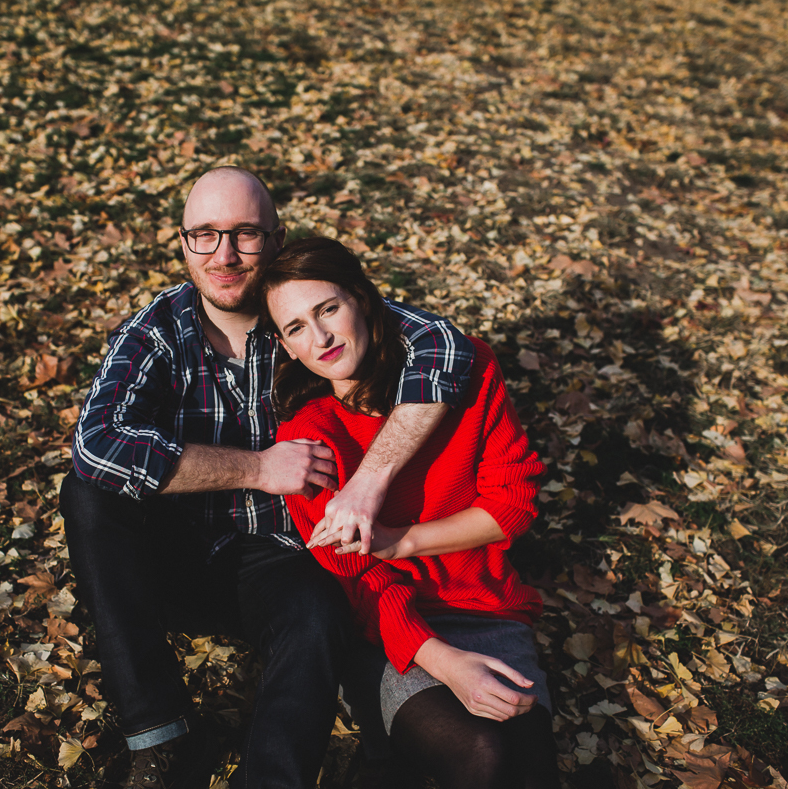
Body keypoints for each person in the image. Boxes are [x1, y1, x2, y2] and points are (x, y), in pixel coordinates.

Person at [60, 167, 476, 788]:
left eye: (245, 235)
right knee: (87, 493)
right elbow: (96, 443)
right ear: (184, 244)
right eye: (205, 235)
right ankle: (163, 734)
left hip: (282, 556)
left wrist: (370, 483)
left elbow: (442, 345)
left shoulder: (303, 316)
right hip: (173, 559)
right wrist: (258, 468)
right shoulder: (157, 330)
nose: (224, 255)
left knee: (315, 618)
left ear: (276, 241)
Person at [264, 237, 561, 789]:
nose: (321, 337)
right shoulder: (308, 438)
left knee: (531, 772)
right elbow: (357, 580)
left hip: (488, 609)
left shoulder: (467, 372)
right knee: (480, 754)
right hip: (391, 632)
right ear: (285, 346)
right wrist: (447, 664)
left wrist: (401, 540)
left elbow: (513, 505)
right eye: (296, 327)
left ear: (361, 298)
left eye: (327, 309)